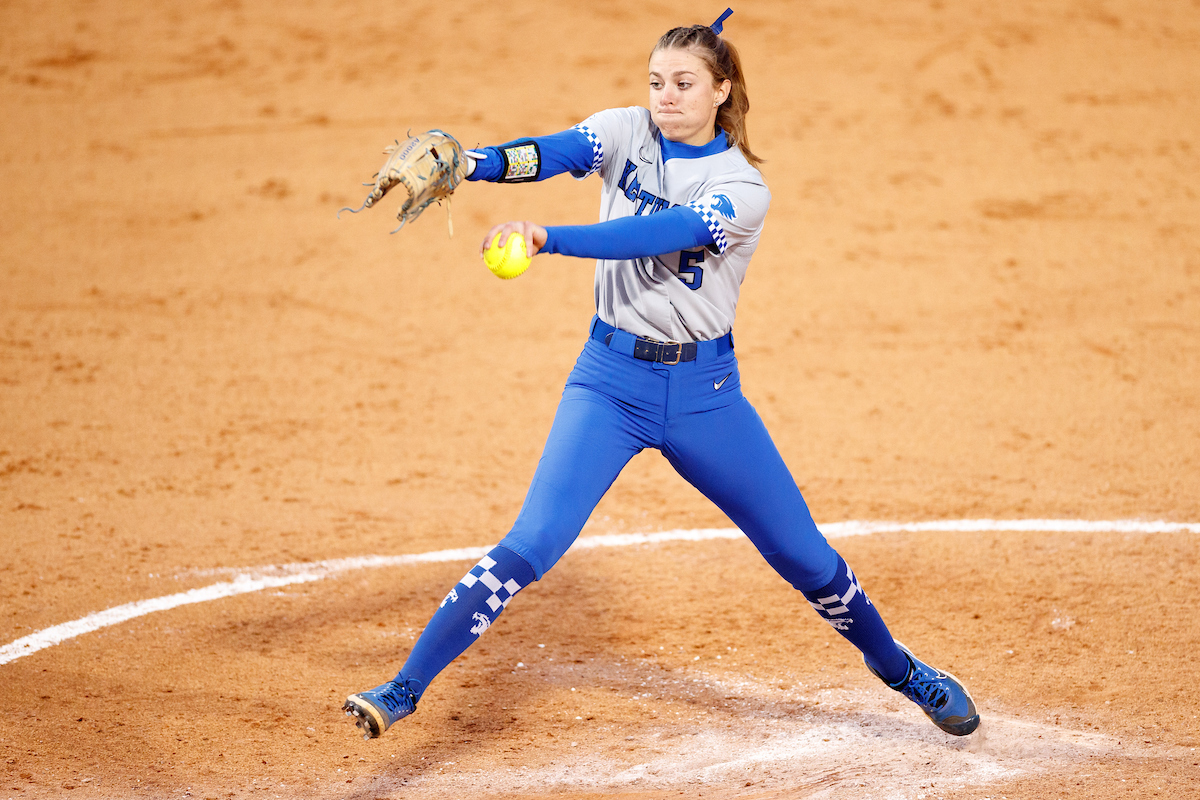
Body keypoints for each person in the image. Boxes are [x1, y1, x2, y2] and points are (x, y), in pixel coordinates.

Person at [343, 10, 979, 741]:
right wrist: (476, 164)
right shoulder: (625, 131)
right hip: (608, 384)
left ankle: (900, 670)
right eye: (656, 82)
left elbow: (660, 233)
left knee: (805, 557)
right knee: (533, 540)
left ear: (721, 90)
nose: (665, 97)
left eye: (683, 83)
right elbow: (552, 152)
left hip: (706, 398)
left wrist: (550, 237)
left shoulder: (742, 188)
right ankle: (403, 688)